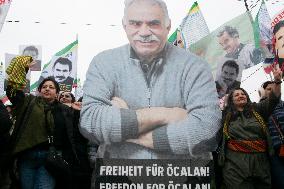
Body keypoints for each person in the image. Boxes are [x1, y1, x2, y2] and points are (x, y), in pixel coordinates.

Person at [80, 0, 221, 185]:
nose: (144, 32)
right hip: (117, 178)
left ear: (168, 26)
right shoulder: (103, 63)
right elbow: (91, 122)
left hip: (184, 179)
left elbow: (207, 131)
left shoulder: (195, 67)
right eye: (135, 23)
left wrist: (126, 123)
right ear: (124, 26)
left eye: (153, 23)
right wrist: (166, 115)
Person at [5, 55, 80, 189]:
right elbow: (14, 92)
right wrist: (22, 68)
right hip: (27, 156)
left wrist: (78, 112)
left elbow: (73, 134)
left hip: (50, 158)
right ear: (39, 90)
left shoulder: (64, 110)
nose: (47, 89)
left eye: (51, 87)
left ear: (57, 92)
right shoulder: (30, 103)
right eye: (44, 86)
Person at [218, 67, 282, 189]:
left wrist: (277, 81)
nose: (241, 96)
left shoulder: (258, 109)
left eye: (243, 94)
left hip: (261, 163)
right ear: (231, 100)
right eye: (236, 95)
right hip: (235, 165)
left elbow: (273, 99)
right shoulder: (225, 116)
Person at [260, 80, 284, 189]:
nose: (271, 91)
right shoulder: (259, 108)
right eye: (268, 89)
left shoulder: (282, 104)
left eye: (273, 89)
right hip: (273, 151)